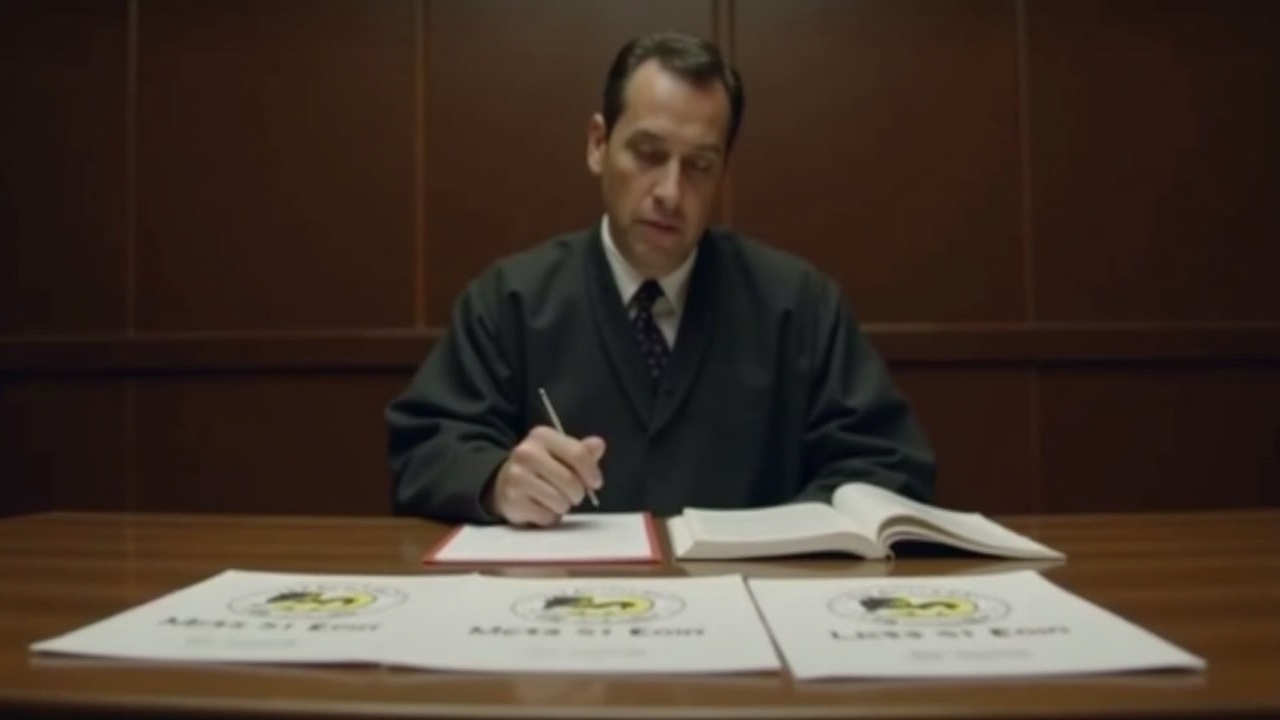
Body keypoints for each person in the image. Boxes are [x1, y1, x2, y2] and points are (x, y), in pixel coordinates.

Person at [386, 32, 935, 526]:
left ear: (723, 172)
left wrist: (784, 530)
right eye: (648, 154)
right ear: (598, 144)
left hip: (751, 593)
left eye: (699, 166)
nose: (670, 192)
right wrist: (495, 481)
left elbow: (886, 464)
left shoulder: (799, 306)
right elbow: (426, 449)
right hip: (565, 597)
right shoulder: (510, 300)